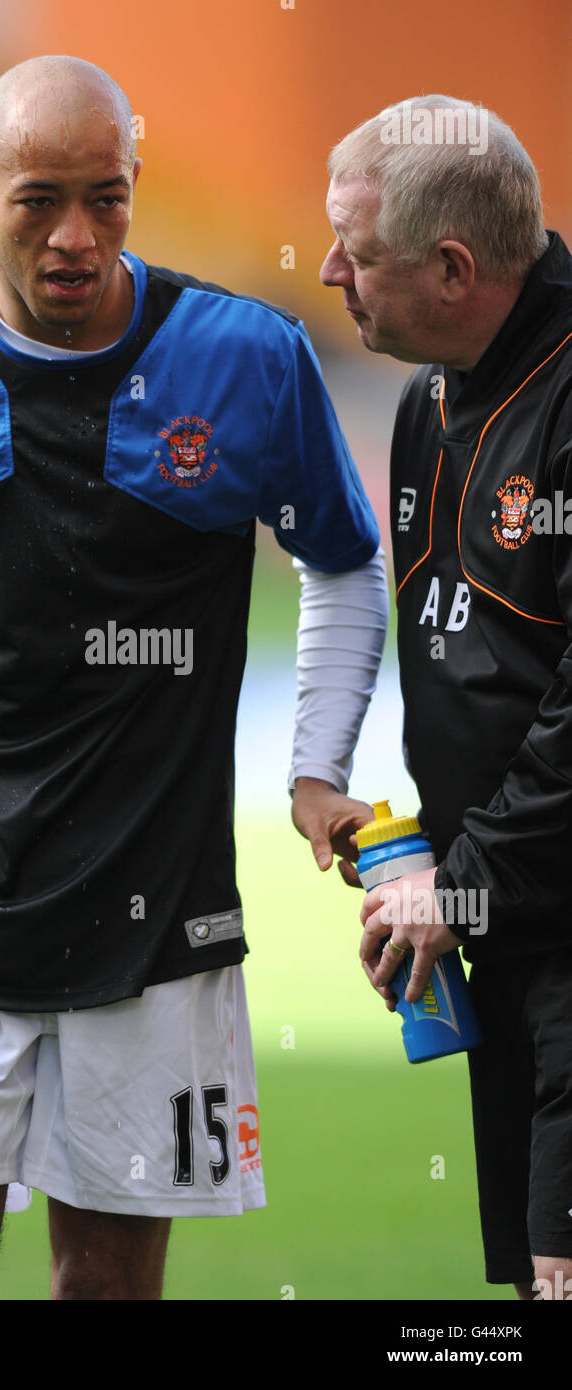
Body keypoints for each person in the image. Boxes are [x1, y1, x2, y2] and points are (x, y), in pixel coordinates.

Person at [0, 54, 386, 1301]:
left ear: (136, 188)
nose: (75, 237)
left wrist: (316, 764)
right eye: (40, 199)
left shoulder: (244, 356)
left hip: (159, 922)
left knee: (103, 1293)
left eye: (106, 197)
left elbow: (346, 567)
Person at [320, 93, 572, 1301]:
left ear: (453, 266)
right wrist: (424, 860)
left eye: (354, 254)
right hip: (500, 933)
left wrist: (464, 876)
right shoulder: (428, 403)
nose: (325, 274)